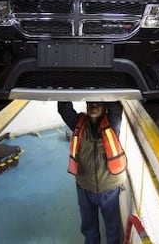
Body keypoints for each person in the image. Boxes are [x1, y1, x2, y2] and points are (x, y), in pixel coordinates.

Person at [58, 101, 127, 244]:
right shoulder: (78, 123)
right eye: (91, 102)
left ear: (105, 105)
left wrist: (103, 83)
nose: (94, 106)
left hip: (109, 189)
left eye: (98, 102)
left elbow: (115, 106)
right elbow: (64, 108)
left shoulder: (112, 123)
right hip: (84, 188)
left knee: (113, 229)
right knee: (89, 229)